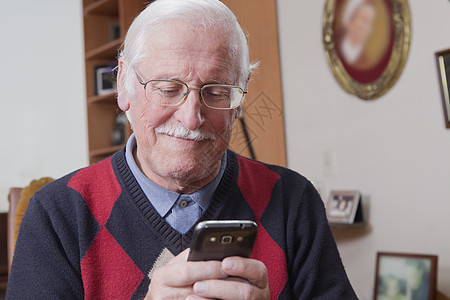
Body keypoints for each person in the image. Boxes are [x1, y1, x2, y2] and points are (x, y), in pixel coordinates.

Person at [7, 0, 358, 299]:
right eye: (168, 88)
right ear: (124, 86)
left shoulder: (292, 200)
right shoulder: (56, 214)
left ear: (240, 99)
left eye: (217, 91)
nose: (192, 119)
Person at [339, 0, 376, 70]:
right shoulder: (335, 46)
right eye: (364, 20)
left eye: (370, 23)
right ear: (350, 20)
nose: (367, 28)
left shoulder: (367, 63)